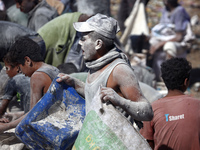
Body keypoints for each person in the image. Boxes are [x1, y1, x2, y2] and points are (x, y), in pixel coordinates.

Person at [57, 13, 153, 125]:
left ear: (98, 44)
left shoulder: (119, 70)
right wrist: (75, 83)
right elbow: (95, 94)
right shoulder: (95, 65)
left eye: (83, 39)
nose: (79, 43)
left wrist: (120, 101)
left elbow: (148, 112)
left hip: (114, 140)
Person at [0, 36, 60, 132]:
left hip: (51, 129)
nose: (20, 71)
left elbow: (32, 115)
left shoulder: (37, 76)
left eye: (19, 67)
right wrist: (12, 115)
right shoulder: (53, 69)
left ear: (27, 60)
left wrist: (6, 126)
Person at [140, 58, 200, 150]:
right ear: (186, 82)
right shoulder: (197, 105)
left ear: (164, 81)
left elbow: (147, 143)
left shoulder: (153, 108)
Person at [147, 0, 195, 81]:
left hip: (179, 43)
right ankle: (155, 76)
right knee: (152, 43)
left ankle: (171, 78)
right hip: (165, 38)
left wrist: (161, 44)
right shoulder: (165, 10)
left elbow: (178, 37)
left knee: (169, 46)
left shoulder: (179, 11)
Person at [0, 52, 31, 119]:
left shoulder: (14, 80)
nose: (6, 72)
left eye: (7, 68)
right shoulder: (31, 75)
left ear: (17, 68)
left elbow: (1, 109)